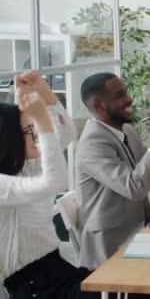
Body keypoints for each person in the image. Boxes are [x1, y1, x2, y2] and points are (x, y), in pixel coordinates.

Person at [76, 73, 150, 270]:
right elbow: (135, 187)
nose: (129, 99)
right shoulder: (91, 144)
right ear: (99, 106)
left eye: (125, 92)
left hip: (142, 232)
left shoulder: (127, 130)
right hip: (112, 245)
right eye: (119, 95)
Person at [0, 71, 98, 299]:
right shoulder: (4, 184)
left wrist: (42, 90)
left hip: (57, 271)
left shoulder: (26, 167)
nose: (36, 137)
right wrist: (41, 119)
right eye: (28, 131)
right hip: (35, 288)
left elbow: (65, 132)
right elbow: (55, 181)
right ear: (9, 140)